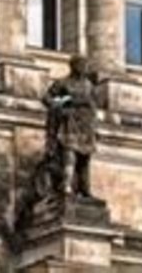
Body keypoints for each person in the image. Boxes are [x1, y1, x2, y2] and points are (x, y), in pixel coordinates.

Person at [42, 54, 98, 198]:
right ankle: (66, 185)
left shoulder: (89, 85)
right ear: (74, 66)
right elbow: (47, 98)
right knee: (70, 153)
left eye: (85, 65)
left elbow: (93, 106)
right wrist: (60, 107)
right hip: (70, 121)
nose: (83, 68)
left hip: (86, 123)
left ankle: (85, 188)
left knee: (85, 157)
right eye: (81, 65)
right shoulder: (64, 83)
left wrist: (95, 125)